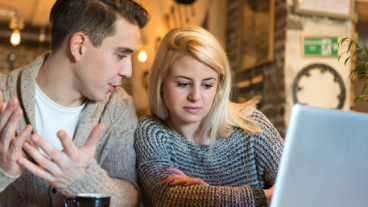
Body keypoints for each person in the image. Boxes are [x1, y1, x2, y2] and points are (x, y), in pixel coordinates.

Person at [0, 0, 149, 206]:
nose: (128, 71)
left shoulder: (117, 106)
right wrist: (2, 171)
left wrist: (81, 181)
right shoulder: (2, 94)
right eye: (121, 55)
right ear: (79, 46)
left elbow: (131, 197)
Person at [134, 26, 284, 207]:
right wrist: (264, 197)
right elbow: (164, 198)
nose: (195, 96)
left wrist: (205, 197)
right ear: (160, 82)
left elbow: (297, 188)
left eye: (207, 85)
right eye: (183, 84)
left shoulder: (251, 123)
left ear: (219, 86)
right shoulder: (151, 131)